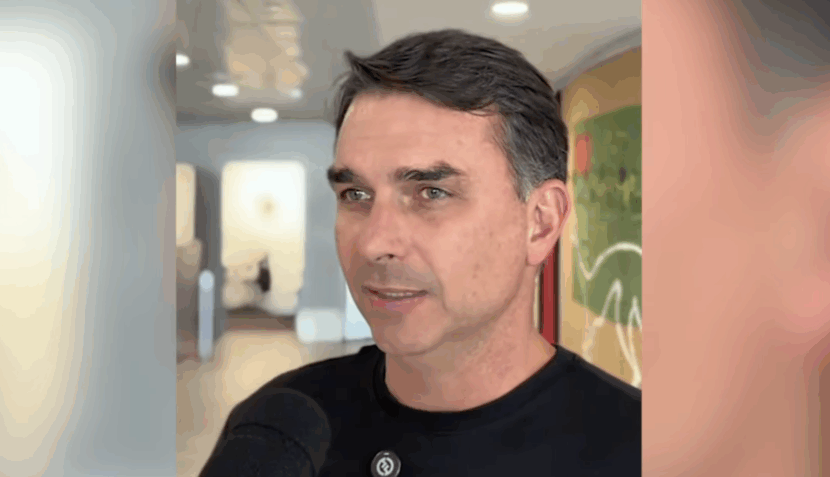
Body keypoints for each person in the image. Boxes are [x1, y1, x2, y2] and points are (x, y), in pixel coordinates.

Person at [204, 29, 641, 475]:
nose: (374, 243)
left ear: (541, 222)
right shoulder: (272, 435)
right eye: (355, 194)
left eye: (432, 193)